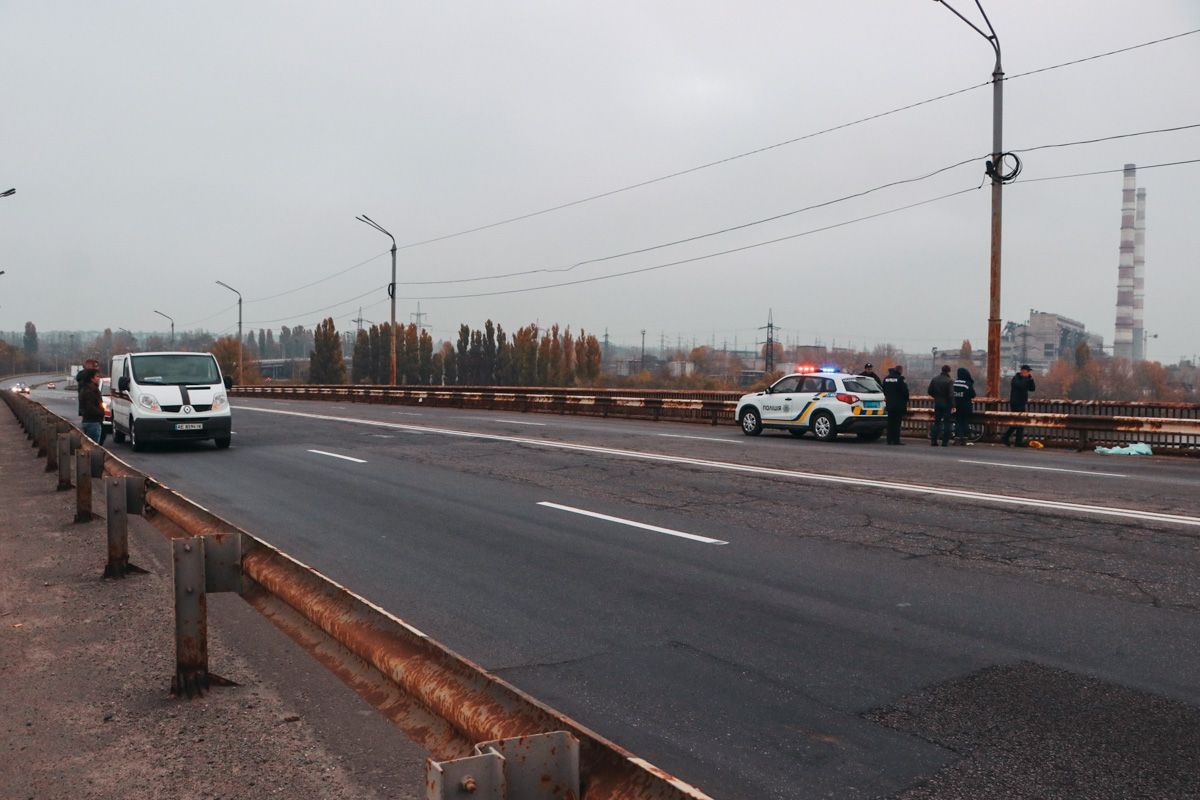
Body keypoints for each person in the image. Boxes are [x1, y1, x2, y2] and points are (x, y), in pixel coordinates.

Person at [1002, 364, 1037, 447]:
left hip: (1022, 402)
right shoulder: (1016, 378)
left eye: (1029, 372)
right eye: (1027, 371)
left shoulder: (1027, 379)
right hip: (1015, 403)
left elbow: (1032, 389)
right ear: (1023, 371)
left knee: (1020, 423)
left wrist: (1031, 379)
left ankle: (1016, 440)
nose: (1028, 373)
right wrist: (1026, 379)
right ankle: (1008, 437)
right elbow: (1021, 385)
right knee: (1017, 422)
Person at [881, 365, 909, 445]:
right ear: (900, 370)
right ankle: (896, 440)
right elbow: (905, 391)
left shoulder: (886, 379)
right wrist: (906, 399)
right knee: (897, 423)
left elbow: (884, 390)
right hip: (898, 405)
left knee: (890, 422)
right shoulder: (900, 379)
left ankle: (889, 440)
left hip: (889, 403)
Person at [927, 365, 954, 446]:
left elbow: (929, 391)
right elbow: (951, 394)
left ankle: (934, 441)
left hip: (937, 403)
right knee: (947, 423)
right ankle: (945, 442)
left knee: (937, 422)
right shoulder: (949, 381)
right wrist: (953, 405)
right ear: (949, 371)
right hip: (947, 404)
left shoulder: (934, 379)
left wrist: (936, 397)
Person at [78, 368, 105, 445]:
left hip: (90, 421)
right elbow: (90, 407)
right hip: (93, 422)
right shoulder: (90, 391)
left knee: (90, 445)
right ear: (91, 378)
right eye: (97, 376)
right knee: (93, 446)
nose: (99, 378)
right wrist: (101, 413)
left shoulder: (87, 389)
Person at [952, 367, 977, 445]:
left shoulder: (954, 383)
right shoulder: (967, 384)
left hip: (956, 405)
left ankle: (957, 438)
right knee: (965, 421)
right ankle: (964, 439)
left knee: (958, 421)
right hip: (966, 405)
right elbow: (973, 395)